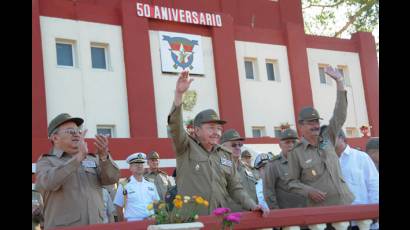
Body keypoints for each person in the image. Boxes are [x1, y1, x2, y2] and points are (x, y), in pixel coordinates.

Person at [167, 70, 269, 216]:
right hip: (191, 221)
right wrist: (179, 95)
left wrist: (252, 205)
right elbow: (175, 126)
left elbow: (236, 188)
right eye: (211, 128)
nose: (216, 132)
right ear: (197, 130)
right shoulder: (185, 147)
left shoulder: (225, 156)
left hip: (219, 220)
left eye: (219, 128)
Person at [287, 66, 354, 230]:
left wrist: (339, 82)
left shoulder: (328, 137)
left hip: (344, 205)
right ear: (301, 126)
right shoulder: (296, 152)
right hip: (320, 215)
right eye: (311, 123)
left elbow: (340, 113)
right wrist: (308, 190)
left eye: (317, 121)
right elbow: (291, 182)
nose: (316, 125)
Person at [35, 113, 120, 229]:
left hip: (96, 225)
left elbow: (111, 179)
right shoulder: (46, 161)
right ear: (55, 138)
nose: (76, 133)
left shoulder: (92, 158)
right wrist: (77, 159)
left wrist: (104, 157)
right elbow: (49, 183)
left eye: (78, 130)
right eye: (70, 131)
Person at [335, 130, 379, 230]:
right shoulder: (325, 162)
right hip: (339, 221)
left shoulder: (361, 157)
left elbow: (374, 185)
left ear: (341, 138)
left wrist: (374, 212)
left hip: (364, 219)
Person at [263, 128, 307, 210]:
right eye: (287, 142)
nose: (291, 145)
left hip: (308, 212)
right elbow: (268, 193)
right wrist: (278, 215)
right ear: (280, 145)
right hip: (288, 215)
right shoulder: (273, 165)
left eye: (294, 142)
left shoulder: (305, 162)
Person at [220, 129, 260, 211]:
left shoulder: (248, 168)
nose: (238, 148)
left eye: (240, 145)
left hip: (251, 213)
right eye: (234, 145)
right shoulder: (219, 167)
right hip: (230, 218)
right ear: (223, 147)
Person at [113, 152, 160, 222]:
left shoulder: (151, 184)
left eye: (141, 164)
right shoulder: (124, 185)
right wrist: (122, 225)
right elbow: (119, 207)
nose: (139, 166)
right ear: (130, 168)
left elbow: (157, 203)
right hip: (133, 223)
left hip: (150, 222)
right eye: (136, 164)